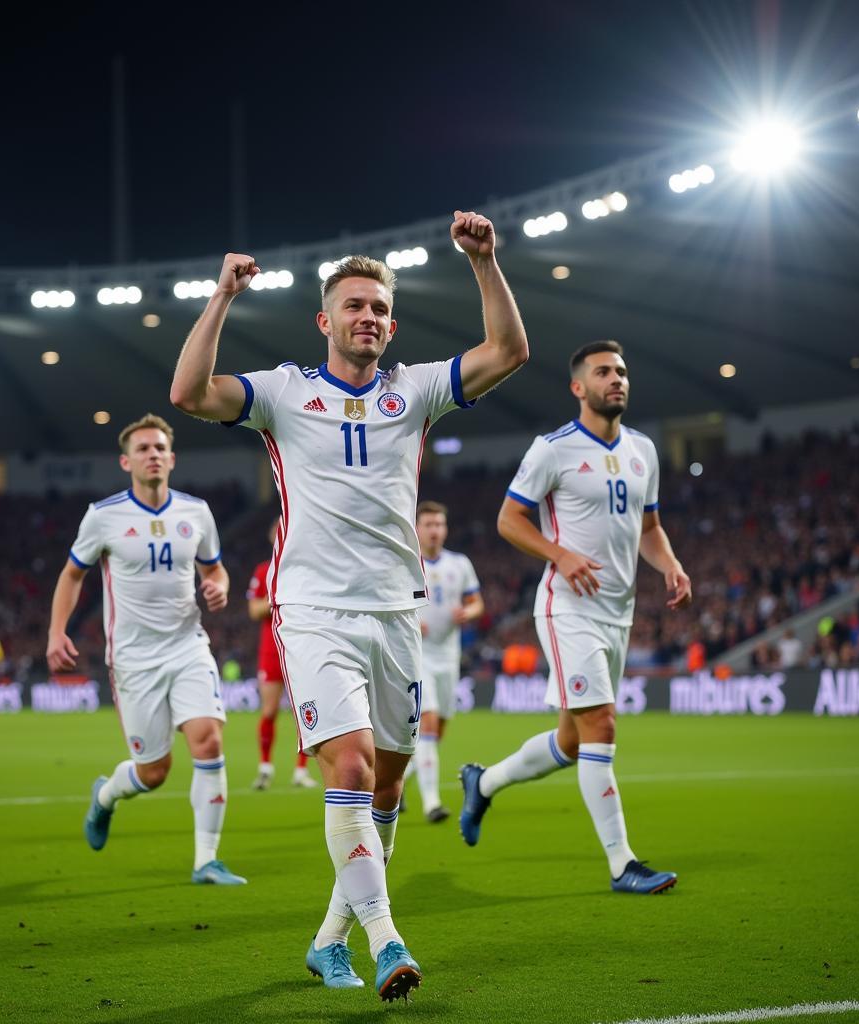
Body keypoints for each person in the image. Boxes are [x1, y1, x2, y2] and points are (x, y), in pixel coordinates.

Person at [170, 210, 528, 1001]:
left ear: (391, 326)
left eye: (379, 309)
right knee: (354, 767)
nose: (367, 317)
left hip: (397, 613)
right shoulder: (284, 393)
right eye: (354, 306)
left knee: (389, 789)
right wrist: (221, 297)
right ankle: (387, 940)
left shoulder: (418, 390)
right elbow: (190, 391)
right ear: (324, 319)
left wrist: (485, 263)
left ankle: (329, 940)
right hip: (314, 612)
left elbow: (509, 351)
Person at [459, 340, 692, 895]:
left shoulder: (643, 451)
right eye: (604, 372)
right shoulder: (553, 449)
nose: (617, 379)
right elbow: (509, 520)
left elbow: (649, 528)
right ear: (578, 387)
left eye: (622, 371)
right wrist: (559, 554)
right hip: (567, 608)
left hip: (619, 612)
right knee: (602, 726)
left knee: (571, 740)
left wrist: (671, 565)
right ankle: (622, 865)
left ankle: (483, 783)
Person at [46, 413, 246, 886]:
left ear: (172, 459)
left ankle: (206, 861)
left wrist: (218, 587)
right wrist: (57, 632)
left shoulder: (195, 512)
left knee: (209, 739)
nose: (153, 455)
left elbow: (215, 570)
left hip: (188, 645)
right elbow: (72, 574)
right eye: (143, 449)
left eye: (160, 448)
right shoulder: (104, 515)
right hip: (134, 660)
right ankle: (105, 798)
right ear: (126, 461)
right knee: (154, 771)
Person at [411, 501, 483, 822]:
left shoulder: (460, 563)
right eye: (428, 524)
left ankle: (395, 782)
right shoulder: (407, 563)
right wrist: (412, 621)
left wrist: (468, 612)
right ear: (417, 528)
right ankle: (431, 803)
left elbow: (476, 602)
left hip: (448, 655)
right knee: (427, 723)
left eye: (439, 524)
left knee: (437, 731)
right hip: (417, 655)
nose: (434, 530)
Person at [248, 518, 317, 790]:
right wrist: (280, 599)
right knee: (269, 709)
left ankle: (301, 771)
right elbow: (254, 610)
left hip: (302, 646)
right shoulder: (264, 570)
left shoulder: (307, 569)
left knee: (306, 710)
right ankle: (265, 767)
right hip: (272, 648)